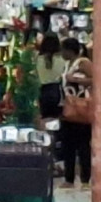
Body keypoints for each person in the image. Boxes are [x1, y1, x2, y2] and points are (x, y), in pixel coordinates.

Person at [60, 37, 93, 189]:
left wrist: (75, 79)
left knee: (83, 146)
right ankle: (69, 178)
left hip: (82, 108)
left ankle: (86, 179)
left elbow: (96, 79)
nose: (61, 53)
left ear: (69, 50)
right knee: (68, 146)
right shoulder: (67, 64)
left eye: (63, 50)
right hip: (68, 108)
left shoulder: (83, 63)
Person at [36, 34, 65, 124]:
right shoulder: (62, 58)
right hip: (57, 90)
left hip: (43, 90)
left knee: (45, 118)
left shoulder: (38, 58)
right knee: (58, 118)